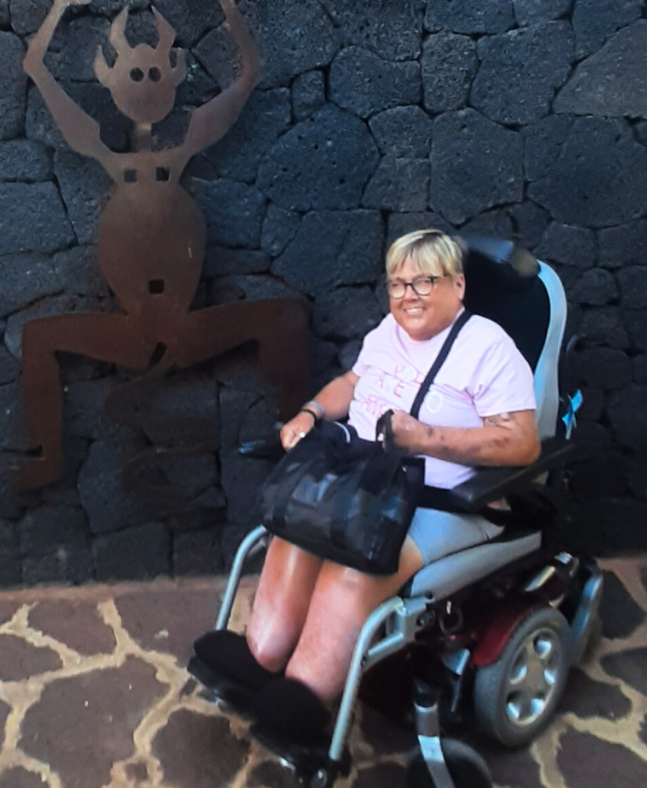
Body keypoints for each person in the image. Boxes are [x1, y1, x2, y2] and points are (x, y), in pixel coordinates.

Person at [193, 229, 541, 744]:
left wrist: (424, 438)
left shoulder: (489, 348)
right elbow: (353, 384)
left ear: (459, 286)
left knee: (356, 558)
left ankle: (304, 696)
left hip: (446, 501)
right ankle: (261, 655)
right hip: (365, 477)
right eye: (399, 283)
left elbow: (522, 444)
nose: (409, 294)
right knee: (295, 526)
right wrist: (310, 412)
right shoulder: (388, 332)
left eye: (425, 280)